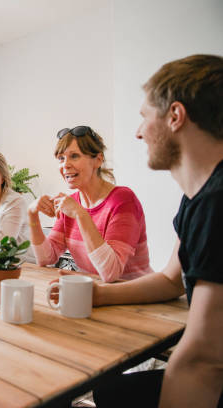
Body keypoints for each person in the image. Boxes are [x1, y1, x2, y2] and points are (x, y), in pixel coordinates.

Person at [91, 54, 223, 407]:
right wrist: (99, 295)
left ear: (175, 116)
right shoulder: (197, 200)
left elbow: (205, 361)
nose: (137, 132)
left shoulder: (217, 203)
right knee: (110, 392)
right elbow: (170, 280)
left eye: (144, 118)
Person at [28, 126, 153, 282]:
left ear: (98, 160)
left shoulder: (123, 200)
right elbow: (46, 258)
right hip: (96, 294)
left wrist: (80, 214)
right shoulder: (71, 203)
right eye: (61, 158)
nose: (65, 165)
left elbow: (110, 273)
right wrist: (32, 215)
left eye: (74, 156)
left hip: (136, 297)